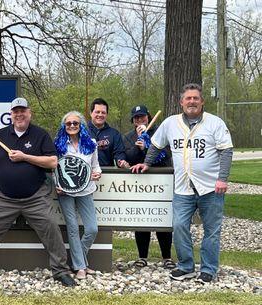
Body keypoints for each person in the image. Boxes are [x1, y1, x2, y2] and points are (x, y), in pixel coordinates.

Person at [0, 97, 76, 287]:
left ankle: (60, 271)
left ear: (29, 113)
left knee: (51, 229)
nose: (19, 114)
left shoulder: (41, 135)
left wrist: (25, 157)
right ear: (11, 115)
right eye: (15, 111)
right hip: (2, 197)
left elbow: (52, 162)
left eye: (23, 111)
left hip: (35, 197)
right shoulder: (0, 135)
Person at [131, 83, 233, 284]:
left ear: (202, 101)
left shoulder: (215, 123)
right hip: (183, 187)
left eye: (196, 98)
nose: (192, 101)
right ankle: (186, 266)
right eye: (188, 98)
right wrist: (146, 163)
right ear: (181, 102)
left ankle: (208, 269)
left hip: (210, 187)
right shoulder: (170, 123)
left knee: (211, 230)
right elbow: (156, 145)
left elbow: (226, 151)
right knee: (178, 226)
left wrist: (222, 178)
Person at [123, 105, 175, 269]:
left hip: (160, 182)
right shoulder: (129, 136)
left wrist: (146, 147)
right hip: (140, 184)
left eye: (142, 116)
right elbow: (129, 158)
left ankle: (166, 257)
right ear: (133, 121)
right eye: (136, 118)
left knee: (162, 218)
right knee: (142, 218)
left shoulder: (161, 132)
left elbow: (166, 154)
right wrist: (138, 148)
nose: (140, 120)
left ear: (148, 116)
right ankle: (142, 256)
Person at [53, 111, 101, 280]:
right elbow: (54, 168)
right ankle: (81, 267)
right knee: (72, 229)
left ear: (81, 126)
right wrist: (56, 184)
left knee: (92, 229)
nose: (72, 126)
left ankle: (78, 261)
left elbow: (96, 166)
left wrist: (97, 173)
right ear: (64, 126)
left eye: (75, 123)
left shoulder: (91, 144)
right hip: (65, 192)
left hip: (86, 189)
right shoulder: (58, 145)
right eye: (69, 124)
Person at [87, 98, 129, 168]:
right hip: (87, 172)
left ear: (107, 114)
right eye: (97, 112)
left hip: (108, 173)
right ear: (91, 113)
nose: (100, 115)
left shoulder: (114, 134)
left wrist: (121, 161)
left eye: (103, 112)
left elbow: (119, 153)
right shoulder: (82, 132)